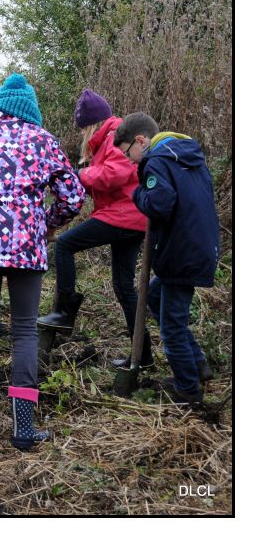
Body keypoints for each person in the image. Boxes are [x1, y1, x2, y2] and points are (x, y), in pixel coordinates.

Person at [0, 73, 84, 450]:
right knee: (25, 329)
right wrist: (46, 222)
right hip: (25, 245)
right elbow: (73, 196)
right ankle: (23, 428)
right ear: (31, 109)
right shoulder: (42, 140)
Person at [37, 90, 152, 369]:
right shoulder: (106, 140)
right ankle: (143, 355)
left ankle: (65, 311)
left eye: (83, 129)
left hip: (122, 215)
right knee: (123, 286)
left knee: (66, 245)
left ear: (92, 124)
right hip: (130, 217)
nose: (82, 135)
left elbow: (115, 174)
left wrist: (79, 175)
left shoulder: (116, 135)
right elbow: (103, 181)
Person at [115, 113, 219, 405]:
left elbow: (159, 203)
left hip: (180, 252)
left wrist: (138, 194)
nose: (130, 162)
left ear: (140, 140)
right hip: (200, 246)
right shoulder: (188, 157)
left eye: (128, 154)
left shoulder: (157, 161)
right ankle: (197, 363)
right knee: (154, 295)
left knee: (172, 325)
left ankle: (187, 389)